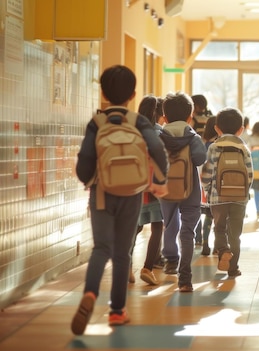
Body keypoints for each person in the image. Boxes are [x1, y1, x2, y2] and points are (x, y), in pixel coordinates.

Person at [72, 65, 168, 335]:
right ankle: (116, 312)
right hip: (132, 193)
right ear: (133, 94)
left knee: (101, 248)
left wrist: (87, 180)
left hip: (102, 193)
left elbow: (85, 161)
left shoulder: (97, 122)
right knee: (122, 253)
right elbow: (158, 150)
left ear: (103, 92)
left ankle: (90, 294)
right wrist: (159, 182)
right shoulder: (139, 121)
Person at [159, 92, 207, 292]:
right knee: (187, 232)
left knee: (170, 223)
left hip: (166, 187)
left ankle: (171, 260)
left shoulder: (159, 136)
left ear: (165, 117)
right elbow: (200, 159)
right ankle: (185, 278)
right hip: (191, 190)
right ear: (190, 117)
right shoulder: (193, 137)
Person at [201, 107, 253, 278]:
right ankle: (233, 268)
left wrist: (207, 190)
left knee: (219, 228)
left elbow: (207, 174)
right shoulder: (244, 148)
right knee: (235, 234)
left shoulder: (214, 147)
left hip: (218, 198)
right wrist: (245, 194)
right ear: (241, 129)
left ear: (217, 128)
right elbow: (249, 175)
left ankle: (223, 250)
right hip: (239, 198)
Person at [131, 95, 165, 286]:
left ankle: (127, 267)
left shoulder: (131, 132)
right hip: (154, 187)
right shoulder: (160, 134)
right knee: (157, 226)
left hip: (134, 186)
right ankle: (148, 268)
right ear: (159, 114)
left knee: (135, 227)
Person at [190, 94, 212, 246]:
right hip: (210, 164)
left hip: (197, 161)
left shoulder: (193, 119)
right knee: (209, 207)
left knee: (196, 203)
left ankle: (197, 237)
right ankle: (205, 238)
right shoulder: (211, 117)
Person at [200, 115, 218, 256]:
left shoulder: (203, 143)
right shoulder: (218, 145)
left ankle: (205, 243)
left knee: (208, 216)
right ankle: (218, 244)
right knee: (220, 218)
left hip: (206, 184)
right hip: (219, 185)